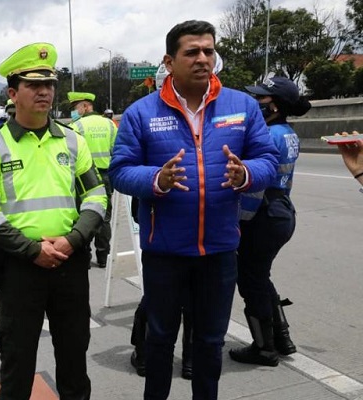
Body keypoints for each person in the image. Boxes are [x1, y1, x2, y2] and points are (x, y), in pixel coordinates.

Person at [108, 20, 278, 400]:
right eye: (192, 52)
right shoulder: (142, 112)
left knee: (209, 342)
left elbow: (268, 158)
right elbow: (120, 171)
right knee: (160, 340)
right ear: (170, 62)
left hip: (218, 251)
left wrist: (246, 173)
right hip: (164, 252)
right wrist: (157, 180)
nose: (203, 58)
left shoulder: (241, 106)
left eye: (208, 50)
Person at [0, 42, 108, 400]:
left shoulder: (73, 141)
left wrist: (73, 240)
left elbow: (96, 196)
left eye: (49, 84)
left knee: (74, 360)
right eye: (34, 85)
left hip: (69, 262)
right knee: (17, 364)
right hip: (19, 268)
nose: (45, 91)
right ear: (13, 93)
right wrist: (32, 250)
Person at [227, 77, 312, 367]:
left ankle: (263, 349)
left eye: (261, 99)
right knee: (260, 276)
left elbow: (253, 189)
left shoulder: (269, 136)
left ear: (275, 105)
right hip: (282, 211)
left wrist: (238, 221)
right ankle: (282, 338)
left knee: (250, 279)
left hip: (263, 215)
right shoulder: (287, 132)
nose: (256, 103)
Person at [68, 91, 117, 269]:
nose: (74, 111)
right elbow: (117, 150)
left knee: (84, 216)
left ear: (86, 106)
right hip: (105, 176)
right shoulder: (110, 124)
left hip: (84, 178)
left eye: (76, 107)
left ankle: (85, 256)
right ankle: (103, 256)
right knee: (104, 218)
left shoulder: (76, 126)